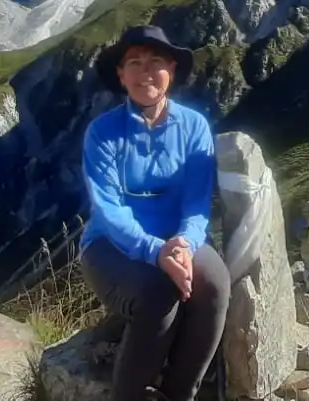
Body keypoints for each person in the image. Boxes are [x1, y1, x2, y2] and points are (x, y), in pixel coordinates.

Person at [79, 25, 232, 401]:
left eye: (155, 62)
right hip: (110, 246)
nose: (145, 72)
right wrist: (154, 251)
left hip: (180, 238)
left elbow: (197, 202)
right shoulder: (103, 133)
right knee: (158, 293)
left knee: (214, 286)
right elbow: (108, 209)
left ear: (172, 71)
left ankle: (181, 392)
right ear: (121, 73)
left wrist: (184, 242)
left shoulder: (194, 127)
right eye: (134, 63)